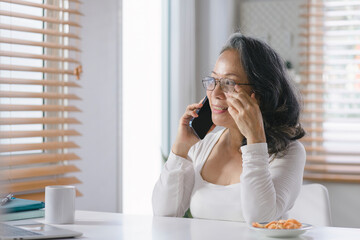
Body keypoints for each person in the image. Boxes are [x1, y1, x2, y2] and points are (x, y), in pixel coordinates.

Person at [152, 32, 306, 223]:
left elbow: (261, 219)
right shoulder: (203, 146)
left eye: (228, 83)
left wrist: (255, 141)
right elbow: (164, 214)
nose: (215, 92)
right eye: (213, 80)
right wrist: (180, 150)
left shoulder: (289, 153)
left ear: (259, 93)